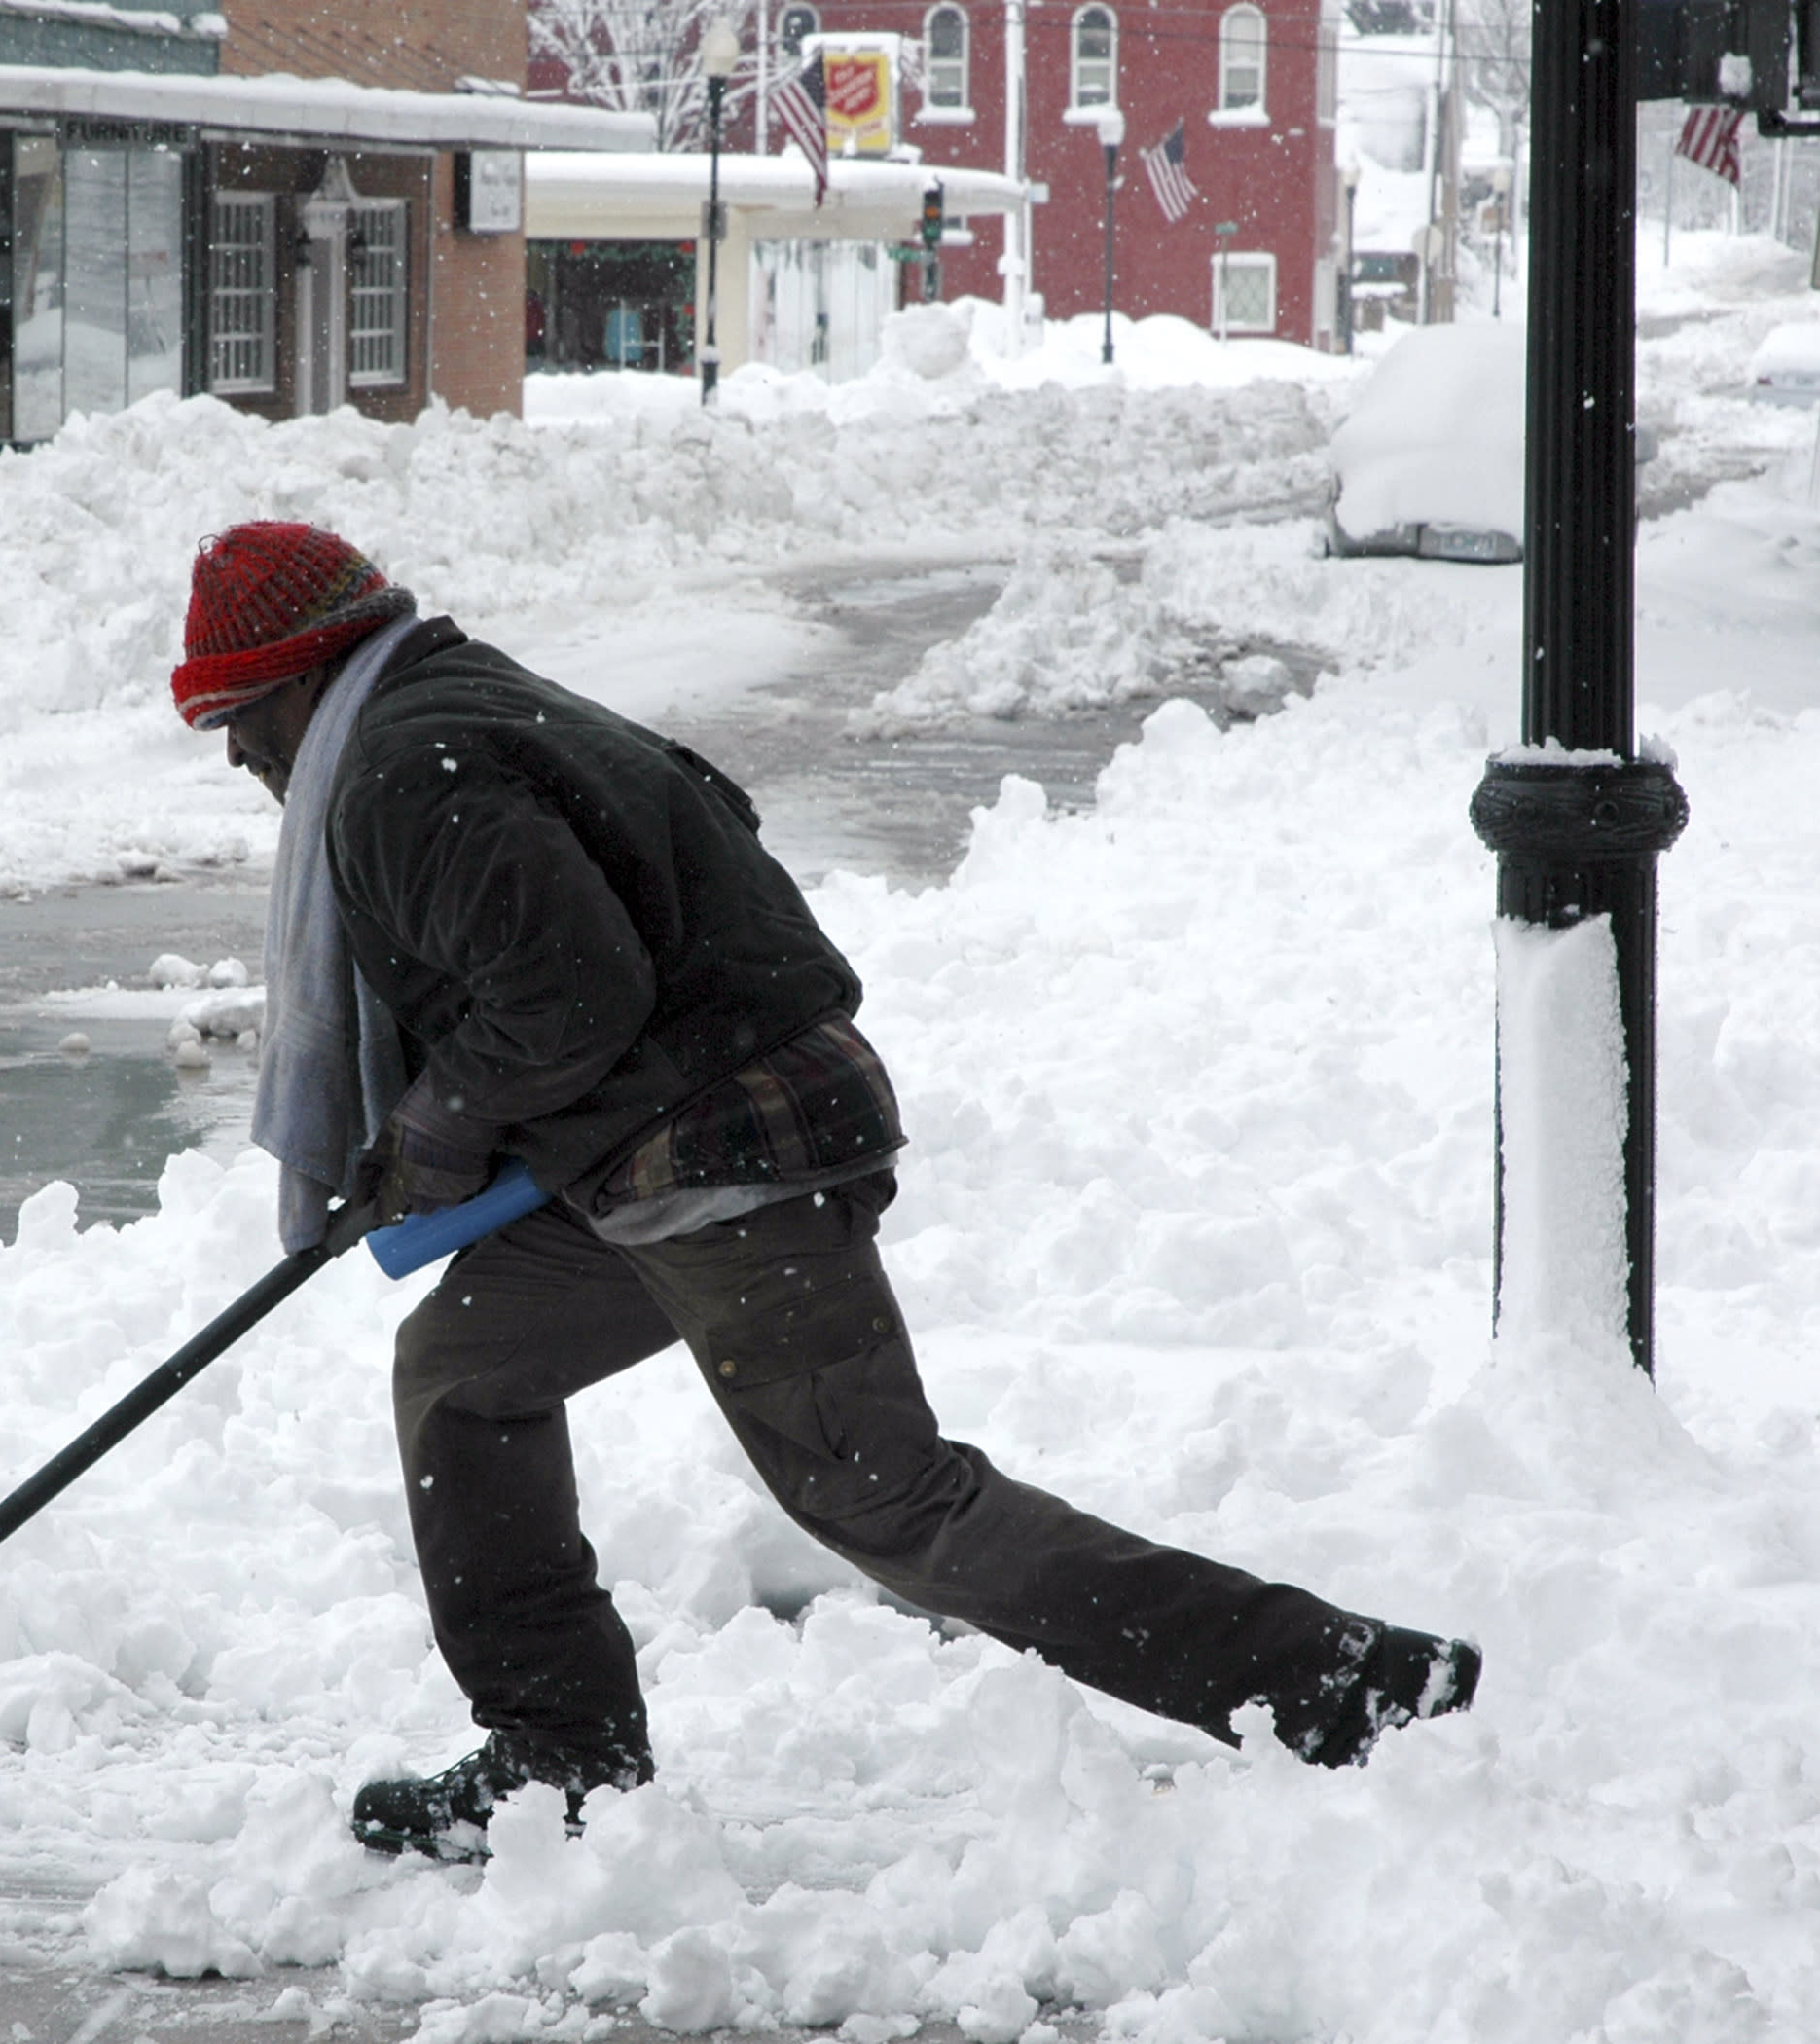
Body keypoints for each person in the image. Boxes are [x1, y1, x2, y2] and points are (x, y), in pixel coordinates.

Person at [170, 521, 1480, 1863]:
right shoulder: (460, 703)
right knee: (464, 1373)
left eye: (239, 711)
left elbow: (572, 989)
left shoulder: (402, 768)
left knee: (890, 1500)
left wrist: (441, 1127)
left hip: (724, 1155)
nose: (235, 751)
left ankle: (1339, 1682)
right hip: (658, 1143)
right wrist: (452, 1129)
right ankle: (562, 1753)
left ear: (305, 672)